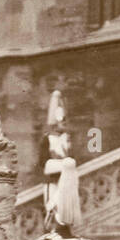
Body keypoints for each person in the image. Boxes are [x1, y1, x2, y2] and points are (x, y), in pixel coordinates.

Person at [38, 90, 73, 218]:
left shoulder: (67, 138)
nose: (64, 124)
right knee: (52, 210)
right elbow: (43, 162)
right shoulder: (47, 139)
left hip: (66, 181)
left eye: (65, 121)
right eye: (61, 122)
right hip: (52, 180)